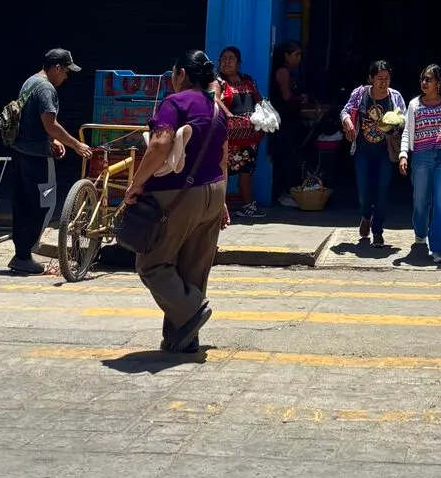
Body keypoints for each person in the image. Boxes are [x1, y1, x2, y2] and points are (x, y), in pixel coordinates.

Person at [122, 49, 230, 352]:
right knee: (193, 267)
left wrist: (137, 183)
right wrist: (221, 202)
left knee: (152, 263)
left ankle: (192, 309)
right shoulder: (218, 108)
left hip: (178, 194)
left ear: (181, 74)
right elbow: (223, 156)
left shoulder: (175, 102)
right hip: (214, 191)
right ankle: (182, 338)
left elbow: (159, 144)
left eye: (173, 73)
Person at [8, 47, 91, 277]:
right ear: (56, 68)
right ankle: (24, 254)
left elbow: (32, 119)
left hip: (21, 153)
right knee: (46, 203)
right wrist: (76, 144)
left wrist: (52, 139)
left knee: (23, 204)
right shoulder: (46, 89)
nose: (66, 77)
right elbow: (50, 123)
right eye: (66, 72)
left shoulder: (30, 82)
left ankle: (21, 253)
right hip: (37, 159)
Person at [398, 65, 441, 262]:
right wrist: (403, 154)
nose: (424, 83)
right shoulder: (414, 105)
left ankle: (438, 248)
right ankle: (420, 231)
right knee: (420, 201)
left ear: (439, 83)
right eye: (422, 79)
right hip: (420, 157)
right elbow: (407, 131)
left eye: (428, 79)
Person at [341, 60, 405, 252]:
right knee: (363, 190)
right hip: (363, 151)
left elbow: (405, 119)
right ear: (370, 78)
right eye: (379, 79)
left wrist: (395, 124)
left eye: (387, 78)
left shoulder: (395, 97)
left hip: (385, 152)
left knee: (382, 190)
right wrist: (348, 122)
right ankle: (366, 215)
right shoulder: (360, 94)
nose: (383, 82)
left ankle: (378, 230)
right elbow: (345, 110)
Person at [215, 45, 263, 223]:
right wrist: (229, 116)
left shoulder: (248, 80)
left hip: (250, 136)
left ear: (238, 63)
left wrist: (265, 113)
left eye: (231, 59)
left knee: (246, 171)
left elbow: (258, 98)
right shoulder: (218, 81)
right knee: (222, 170)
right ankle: (219, 207)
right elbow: (215, 100)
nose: (226, 62)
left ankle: (248, 206)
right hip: (228, 136)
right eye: (223, 59)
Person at [269, 40, 305, 205]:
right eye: (296, 54)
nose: (299, 58)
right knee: (286, 156)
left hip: (287, 120)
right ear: (286, 55)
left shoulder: (289, 72)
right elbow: (286, 97)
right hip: (284, 120)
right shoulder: (283, 72)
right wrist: (301, 99)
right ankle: (283, 194)